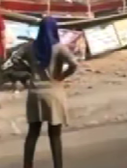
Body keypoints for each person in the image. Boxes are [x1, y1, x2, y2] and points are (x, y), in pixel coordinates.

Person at [23, 16, 78, 168]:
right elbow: (74, 63)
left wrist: (30, 71)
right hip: (53, 93)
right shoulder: (59, 48)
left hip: (34, 93)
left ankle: (27, 165)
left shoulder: (31, 47)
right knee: (55, 135)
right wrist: (62, 76)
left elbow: (18, 60)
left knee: (32, 133)